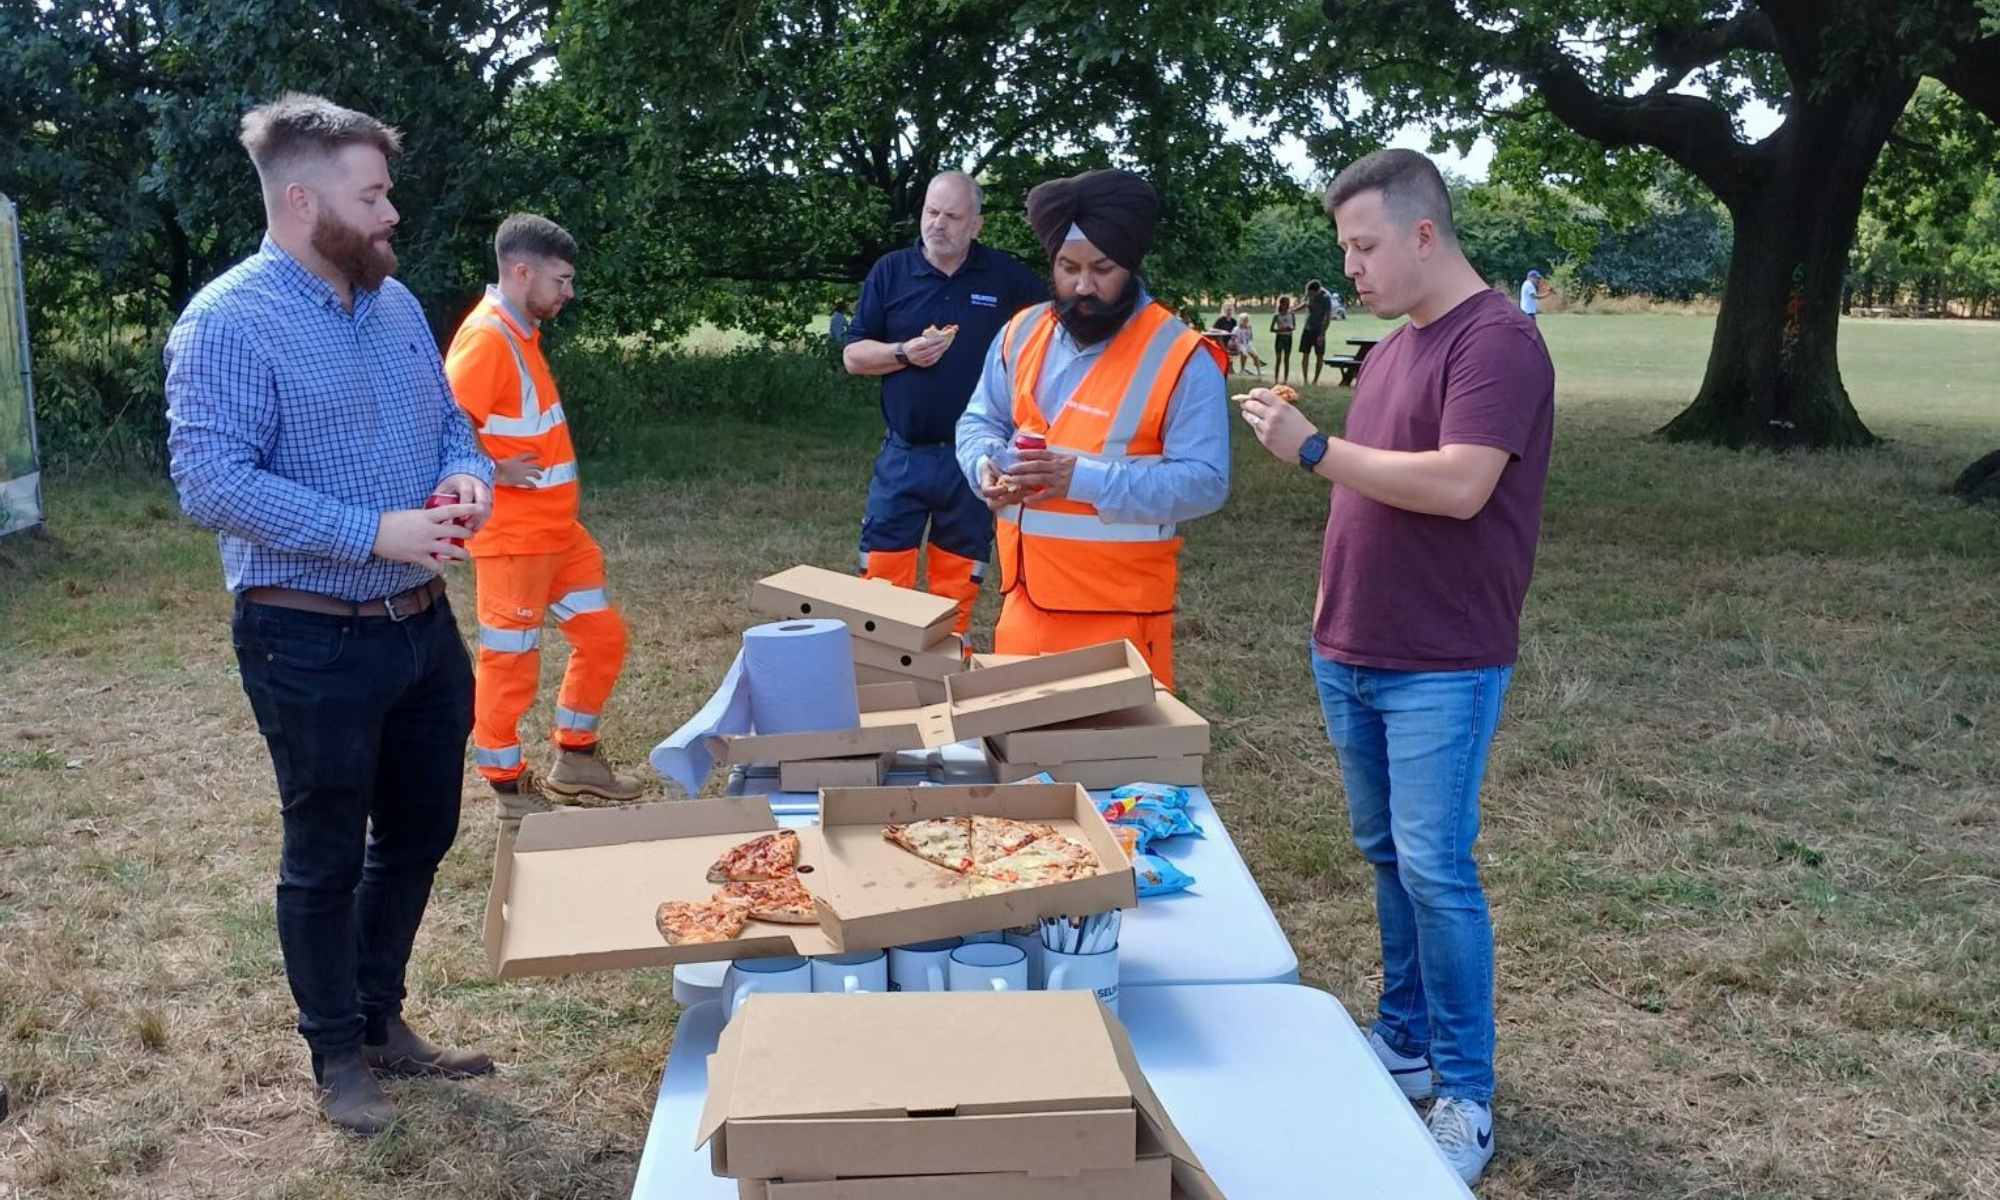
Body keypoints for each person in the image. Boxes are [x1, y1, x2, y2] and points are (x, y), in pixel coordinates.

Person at [164, 93, 497, 1137]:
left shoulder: (393, 304)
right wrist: (370, 531)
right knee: (324, 852)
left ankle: (381, 1017)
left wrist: (464, 479)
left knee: (421, 830)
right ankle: (334, 1055)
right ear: (304, 203)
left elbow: (452, 421)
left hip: (421, 625)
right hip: (307, 634)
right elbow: (209, 482)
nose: (392, 213)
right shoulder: (225, 321)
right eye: (374, 195)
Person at [1239, 148, 1554, 1186]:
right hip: (1352, 648)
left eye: (1363, 245)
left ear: (1424, 233)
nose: (1351, 269)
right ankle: (1404, 1039)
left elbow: (1460, 486)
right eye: (1345, 248)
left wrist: (1312, 450)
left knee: (1435, 868)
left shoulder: (1495, 343)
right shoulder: (1394, 349)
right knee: (1385, 856)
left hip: (1439, 660)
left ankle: (1463, 1091)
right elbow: (1375, 497)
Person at [954, 168, 1230, 690]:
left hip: (1121, 617)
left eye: (1102, 269)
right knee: (1023, 760)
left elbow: (1206, 482)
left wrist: (1078, 479)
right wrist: (983, 464)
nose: (1083, 286)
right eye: (1068, 267)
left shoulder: (1180, 355)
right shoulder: (1021, 331)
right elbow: (979, 420)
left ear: (1130, 264)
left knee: (1118, 770)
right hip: (1023, 603)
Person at [443, 214, 644, 819]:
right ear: (522, 272)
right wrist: (493, 470)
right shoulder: (488, 339)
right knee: (509, 662)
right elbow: (441, 425)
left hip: (559, 534)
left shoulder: (519, 332)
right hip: (516, 538)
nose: (569, 292)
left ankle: (576, 759)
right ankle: (508, 787)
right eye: (561, 279)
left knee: (602, 637)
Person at [843, 171, 1044, 637]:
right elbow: (853, 356)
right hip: (905, 453)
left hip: (973, 459)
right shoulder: (892, 271)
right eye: (931, 212)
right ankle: (882, 674)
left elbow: (1052, 337)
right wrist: (901, 353)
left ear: (977, 224)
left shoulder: (1005, 277)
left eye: (952, 216)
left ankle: (946, 678)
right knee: (881, 579)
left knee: (956, 586)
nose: (938, 224)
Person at [1299, 278, 1334, 386]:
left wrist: (1322, 334)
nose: (1310, 295)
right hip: (1308, 328)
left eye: (1311, 293)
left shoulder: (1326, 298)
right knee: (1305, 354)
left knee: (1319, 355)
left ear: (1317, 291)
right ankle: (1305, 380)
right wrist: (1294, 309)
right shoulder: (1310, 295)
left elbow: (1328, 317)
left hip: (1319, 330)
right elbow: (1306, 304)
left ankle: (1315, 380)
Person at [1270, 294, 1297, 384]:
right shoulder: (1277, 316)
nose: (1287, 305)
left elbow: (1294, 326)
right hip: (1280, 337)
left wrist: (1290, 328)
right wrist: (1280, 329)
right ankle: (1276, 379)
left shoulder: (1291, 314)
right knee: (1278, 359)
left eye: (1288, 304)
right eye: (1286, 304)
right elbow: (1271, 329)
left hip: (1288, 337)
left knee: (1287, 359)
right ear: (1281, 304)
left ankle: (1285, 380)